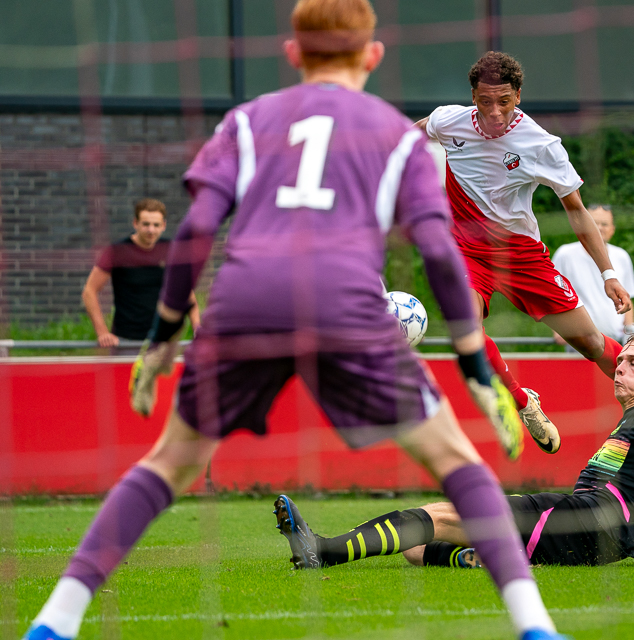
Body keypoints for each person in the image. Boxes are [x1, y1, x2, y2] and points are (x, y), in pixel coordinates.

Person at [22, 2, 565, 639]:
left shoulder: (247, 120)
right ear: (372, 55)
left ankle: (54, 623)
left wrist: (163, 336)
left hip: (247, 298)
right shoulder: (399, 135)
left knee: (165, 464)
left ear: (292, 53)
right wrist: (475, 364)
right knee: (458, 466)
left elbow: (196, 230)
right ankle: (536, 627)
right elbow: (441, 254)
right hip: (347, 304)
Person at [275, 323, 634, 572]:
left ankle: (323, 551)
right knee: (417, 551)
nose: (620, 367)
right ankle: (481, 558)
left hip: (580, 521)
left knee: (443, 512)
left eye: (633, 362)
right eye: (620, 359)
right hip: (592, 543)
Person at [417, 51, 634, 457]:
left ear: (518, 96)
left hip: (520, 255)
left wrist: (608, 274)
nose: (494, 113)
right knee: (466, 327)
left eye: (504, 102)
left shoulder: (540, 144)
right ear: (472, 97)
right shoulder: (450, 120)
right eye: (484, 102)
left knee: (588, 341)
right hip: (464, 249)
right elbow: (415, 132)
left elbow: (578, 213)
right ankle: (521, 402)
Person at [81, 198, 200, 348]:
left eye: (156, 225)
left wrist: (197, 327)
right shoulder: (117, 252)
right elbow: (89, 291)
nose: (151, 230)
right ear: (135, 223)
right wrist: (102, 332)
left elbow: (186, 292)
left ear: (163, 225)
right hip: (126, 340)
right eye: (146, 224)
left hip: (164, 340)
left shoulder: (172, 250)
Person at [552, 204, 634, 345]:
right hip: (579, 343)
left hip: (616, 343)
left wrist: (630, 337)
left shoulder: (622, 257)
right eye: (594, 223)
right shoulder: (565, 255)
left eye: (604, 224)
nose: (599, 228)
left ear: (612, 230)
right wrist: (559, 330)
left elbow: (627, 299)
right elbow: (552, 293)